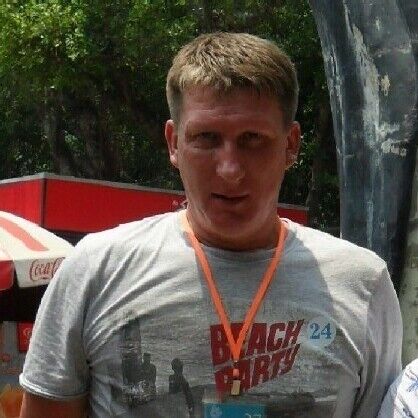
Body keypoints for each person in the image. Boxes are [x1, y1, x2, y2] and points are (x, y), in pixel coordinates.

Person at [19, 32, 402, 418]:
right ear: (173, 143)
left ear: (291, 145)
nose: (230, 169)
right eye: (206, 138)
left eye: (253, 139)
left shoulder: (361, 284)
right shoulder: (95, 270)